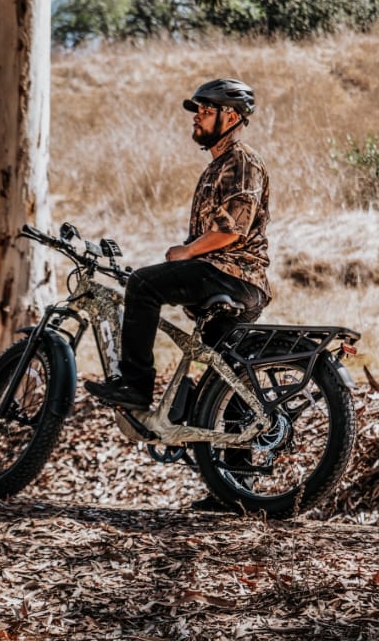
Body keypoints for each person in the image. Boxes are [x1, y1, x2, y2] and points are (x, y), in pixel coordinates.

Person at [85, 77, 271, 412]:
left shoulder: (241, 161)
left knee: (143, 285)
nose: (196, 116)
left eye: (205, 109)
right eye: (196, 110)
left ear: (230, 117)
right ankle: (238, 460)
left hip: (234, 274)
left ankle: (135, 387)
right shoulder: (218, 166)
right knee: (225, 383)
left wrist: (185, 252)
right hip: (234, 279)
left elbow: (233, 230)